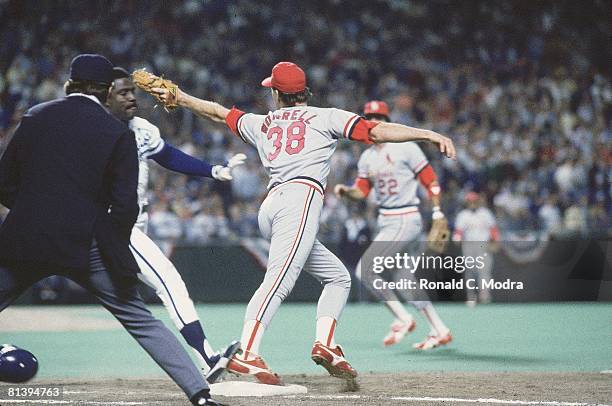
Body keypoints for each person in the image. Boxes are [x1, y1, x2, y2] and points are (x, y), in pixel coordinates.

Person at [150, 61, 456, 385]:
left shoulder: (263, 122)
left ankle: (326, 344)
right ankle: (248, 353)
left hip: (273, 206)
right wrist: (426, 133)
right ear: (304, 91)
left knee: (339, 278)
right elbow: (376, 131)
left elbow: (216, 112)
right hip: (300, 200)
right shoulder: (327, 116)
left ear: (278, 94)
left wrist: (181, 97)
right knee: (279, 280)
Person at [0, 54, 219, 406]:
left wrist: (34, 213)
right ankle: (201, 394)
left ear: (70, 84)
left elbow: (4, 182)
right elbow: (125, 205)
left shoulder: (35, 116)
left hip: (28, 237)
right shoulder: (116, 132)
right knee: (140, 319)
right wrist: (110, 242)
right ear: (105, 92)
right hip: (85, 242)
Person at [106, 67, 243, 383]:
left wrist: (212, 171)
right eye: (122, 92)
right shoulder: (92, 132)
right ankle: (207, 358)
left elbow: (167, 156)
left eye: (132, 91)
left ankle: (200, 361)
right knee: (169, 280)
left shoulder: (141, 127)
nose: (131, 97)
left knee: (128, 303)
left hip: (135, 224)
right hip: (113, 225)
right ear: (104, 96)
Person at [335, 100, 452, 350]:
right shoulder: (366, 157)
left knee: (365, 270)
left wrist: (438, 211)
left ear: (388, 120)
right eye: (370, 117)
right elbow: (362, 191)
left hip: (405, 217)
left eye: (380, 116)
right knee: (404, 279)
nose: (375, 120)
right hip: (387, 220)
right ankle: (439, 330)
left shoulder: (406, 148)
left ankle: (403, 318)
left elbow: (430, 180)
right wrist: (348, 192)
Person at [453, 191, 500, 306]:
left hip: (483, 245)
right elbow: (458, 231)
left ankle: (485, 297)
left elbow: (493, 229)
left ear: (478, 201)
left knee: (484, 272)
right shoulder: (463, 215)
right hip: (468, 245)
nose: (472, 203)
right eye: (470, 201)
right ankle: (471, 297)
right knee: (469, 272)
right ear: (467, 202)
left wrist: (496, 242)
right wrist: (457, 238)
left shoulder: (485, 213)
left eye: (474, 201)